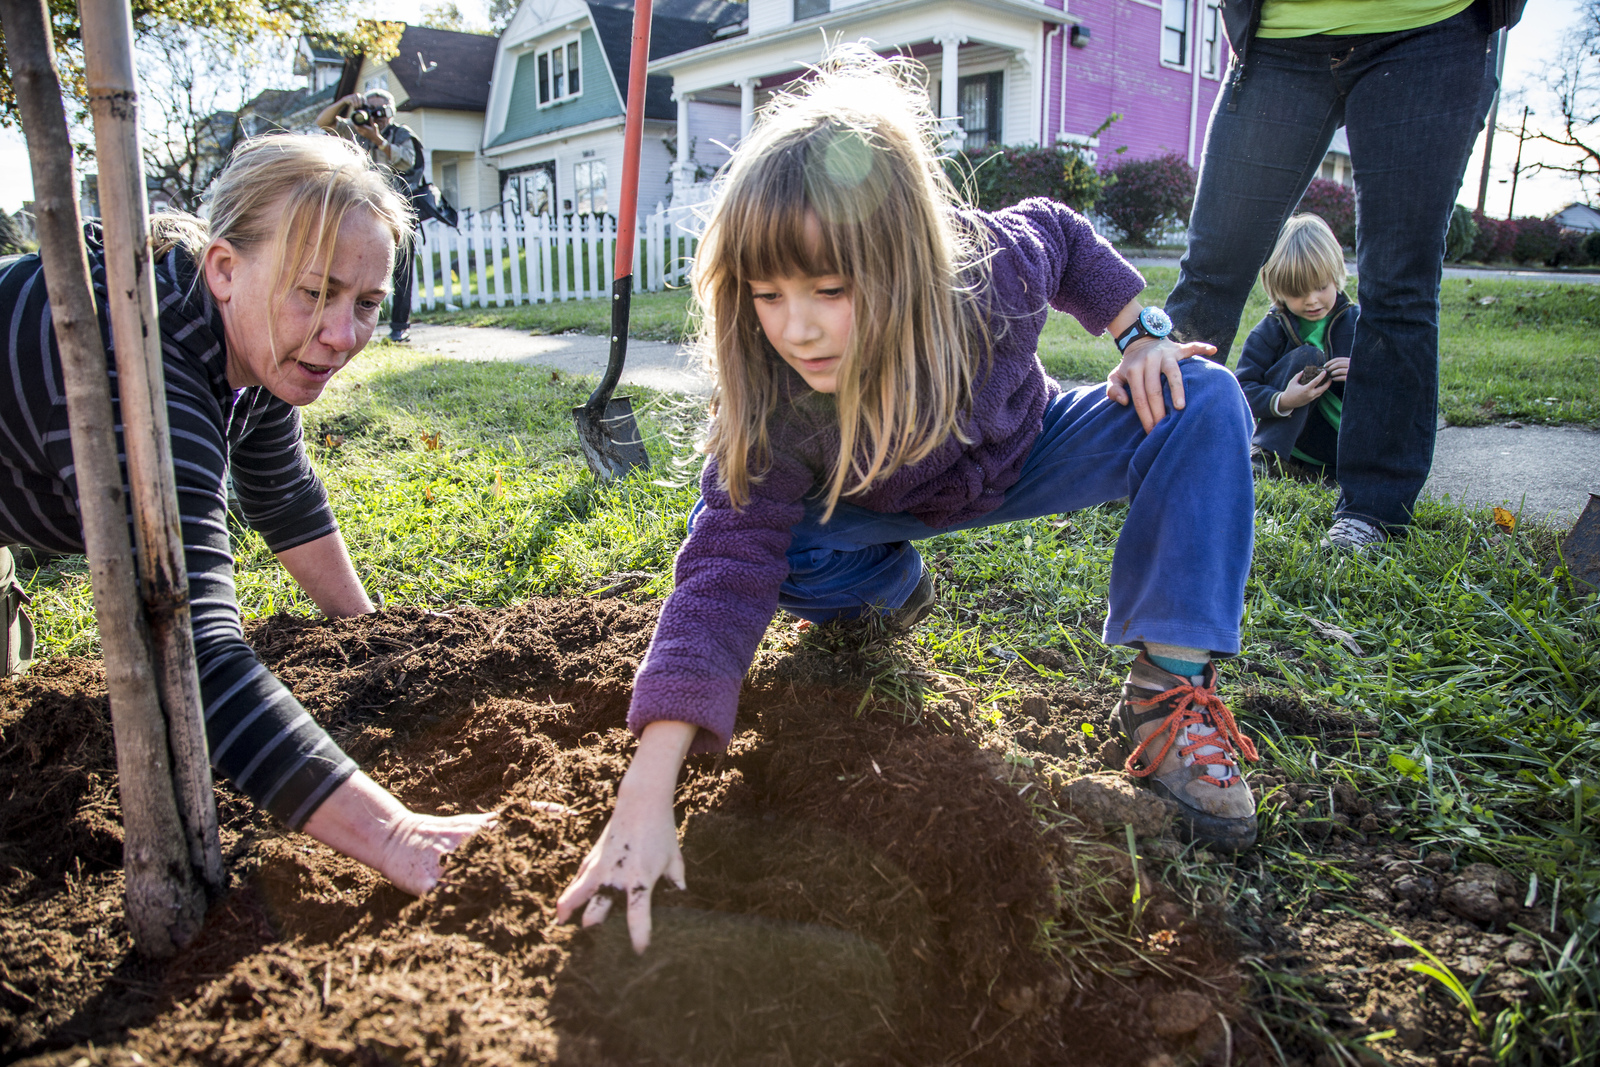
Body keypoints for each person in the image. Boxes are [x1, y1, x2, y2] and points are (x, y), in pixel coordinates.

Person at [556, 49, 1263, 955]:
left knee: (1202, 400)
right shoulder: (775, 400)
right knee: (786, 554)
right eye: (768, 295)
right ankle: (886, 590)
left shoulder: (992, 269)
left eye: (829, 290)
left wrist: (1139, 333)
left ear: (910, 260)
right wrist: (644, 794)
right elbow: (722, 573)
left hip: (1025, 449)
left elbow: (1064, 234)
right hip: (874, 505)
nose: (797, 326)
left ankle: (1169, 688)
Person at [0, 134, 494, 895]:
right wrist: (396, 833)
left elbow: (282, 494)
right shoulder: (140, 368)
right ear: (225, 267)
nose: (341, 336)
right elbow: (188, 649)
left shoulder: (247, 335)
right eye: (315, 292)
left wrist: (371, 637)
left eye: (366, 303)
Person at [1164, 0, 1526, 551]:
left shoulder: (1346, 318)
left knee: (1398, 286)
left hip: (1431, 30)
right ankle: (1147, 456)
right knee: (1211, 270)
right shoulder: (1277, 328)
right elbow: (1247, 374)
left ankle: (1371, 512)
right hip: (1279, 38)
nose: (1311, 299)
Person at [1234, 214, 1358, 480]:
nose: (1311, 301)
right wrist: (1284, 400)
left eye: (1321, 287)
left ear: (1336, 276)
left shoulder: (1359, 323)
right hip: (1296, 444)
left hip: (1350, 447)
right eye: (1297, 292)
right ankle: (1265, 455)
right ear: (1277, 289)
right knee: (1309, 356)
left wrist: (1364, 372)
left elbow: (1395, 377)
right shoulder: (1269, 332)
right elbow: (1243, 389)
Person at [317, 88, 423, 343]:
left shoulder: (401, 134)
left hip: (399, 211)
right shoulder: (355, 130)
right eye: (370, 109)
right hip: (363, 210)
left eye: (380, 110)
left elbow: (408, 161)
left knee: (401, 271)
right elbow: (323, 122)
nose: (375, 116)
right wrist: (345, 102)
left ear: (391, 112)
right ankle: (350, 322)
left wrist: (379, 141)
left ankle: (400, 325)